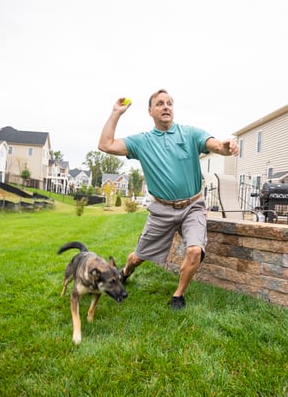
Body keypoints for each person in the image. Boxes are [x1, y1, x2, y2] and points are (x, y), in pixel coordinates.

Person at [98, 89, 239, 310]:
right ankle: (125, 272)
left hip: (192, 205)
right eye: (160, 103)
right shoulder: (142, 142)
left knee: (194, 250)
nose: (166, 107)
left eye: (170, 103)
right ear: (150, 111)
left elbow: (217, 145)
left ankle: (178, 295)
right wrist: (116, 113)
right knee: (137, 257)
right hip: (161, 209)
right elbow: (105, 145)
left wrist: (226, 145)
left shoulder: (190, 134)